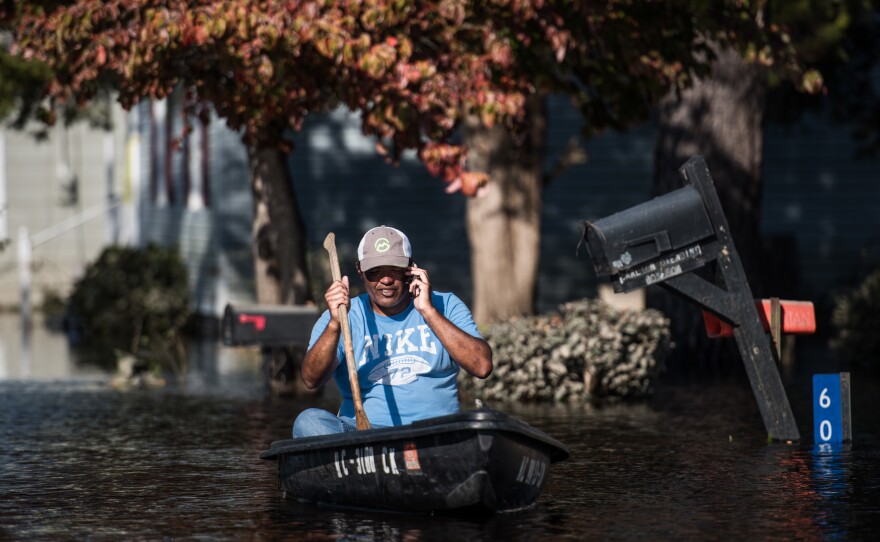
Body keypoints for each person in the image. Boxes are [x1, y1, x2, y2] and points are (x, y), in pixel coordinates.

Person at [293, 225, 493, 437]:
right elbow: (311, 379)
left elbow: (481, 366)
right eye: (374, 272)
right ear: (360, 271)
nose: (385, 279)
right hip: (365, 435)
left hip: (436, 433)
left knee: (484, 421)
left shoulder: (446, 305)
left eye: (394, 269)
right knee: (308, 421)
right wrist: (335, 324)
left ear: (411, 269)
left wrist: (428, 311)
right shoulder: (343, 315)